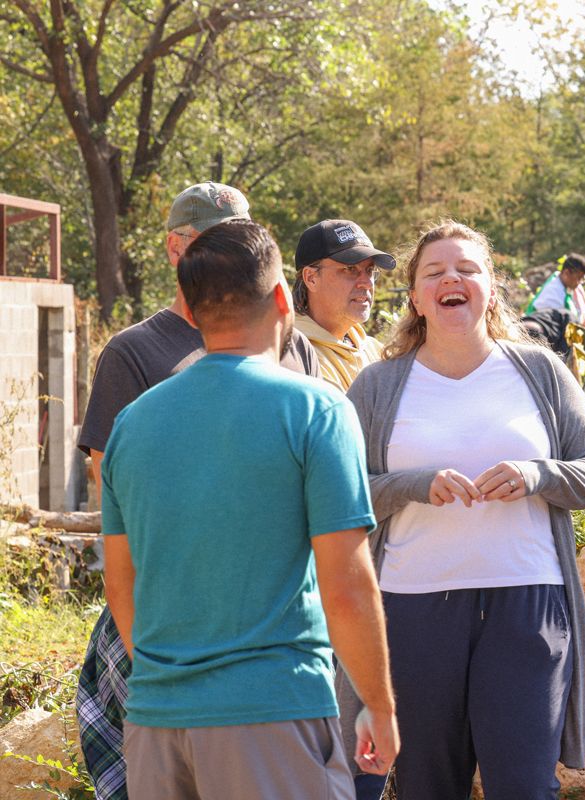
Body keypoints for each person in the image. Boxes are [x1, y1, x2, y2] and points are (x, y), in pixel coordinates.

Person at [101, 219, 398, 799]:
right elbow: (347, 585)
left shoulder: (131, 425)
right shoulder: (317, 410)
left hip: (157, 722)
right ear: (285, 297)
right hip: (274, 712)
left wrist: (174, 682)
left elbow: (121, 584)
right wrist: (380, 706)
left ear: (191, 307)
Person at [344, 220, 585, 799]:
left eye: (467, 269)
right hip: (411, 608)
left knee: (525, 785)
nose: (451, 279)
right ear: (415, 296)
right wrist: (411, 485)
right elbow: (341, 493)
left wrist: (538, 474)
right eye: (434, 272)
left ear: (491, 286)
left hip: (527, 602)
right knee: (427, 784)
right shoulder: (376, 386)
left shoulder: (541, 373)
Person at [74, 181, 320, 800]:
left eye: (237, 236)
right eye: (210, 240)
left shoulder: (293, 348)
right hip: (168, 609)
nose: (226, 252)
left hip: (278, 618)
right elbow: (111, 483)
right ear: (174, 251)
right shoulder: (134, 351)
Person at [293, 219, 396, 391]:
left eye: (370, 270)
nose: (367, 283)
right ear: (311, 278)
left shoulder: (373, 348)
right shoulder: (296, 356)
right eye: (350, 269)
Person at [527, 252, 585, 325]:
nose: (579, 283)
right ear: (566, 273)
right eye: (578, 278)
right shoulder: (553, 294)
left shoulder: (562, 281)